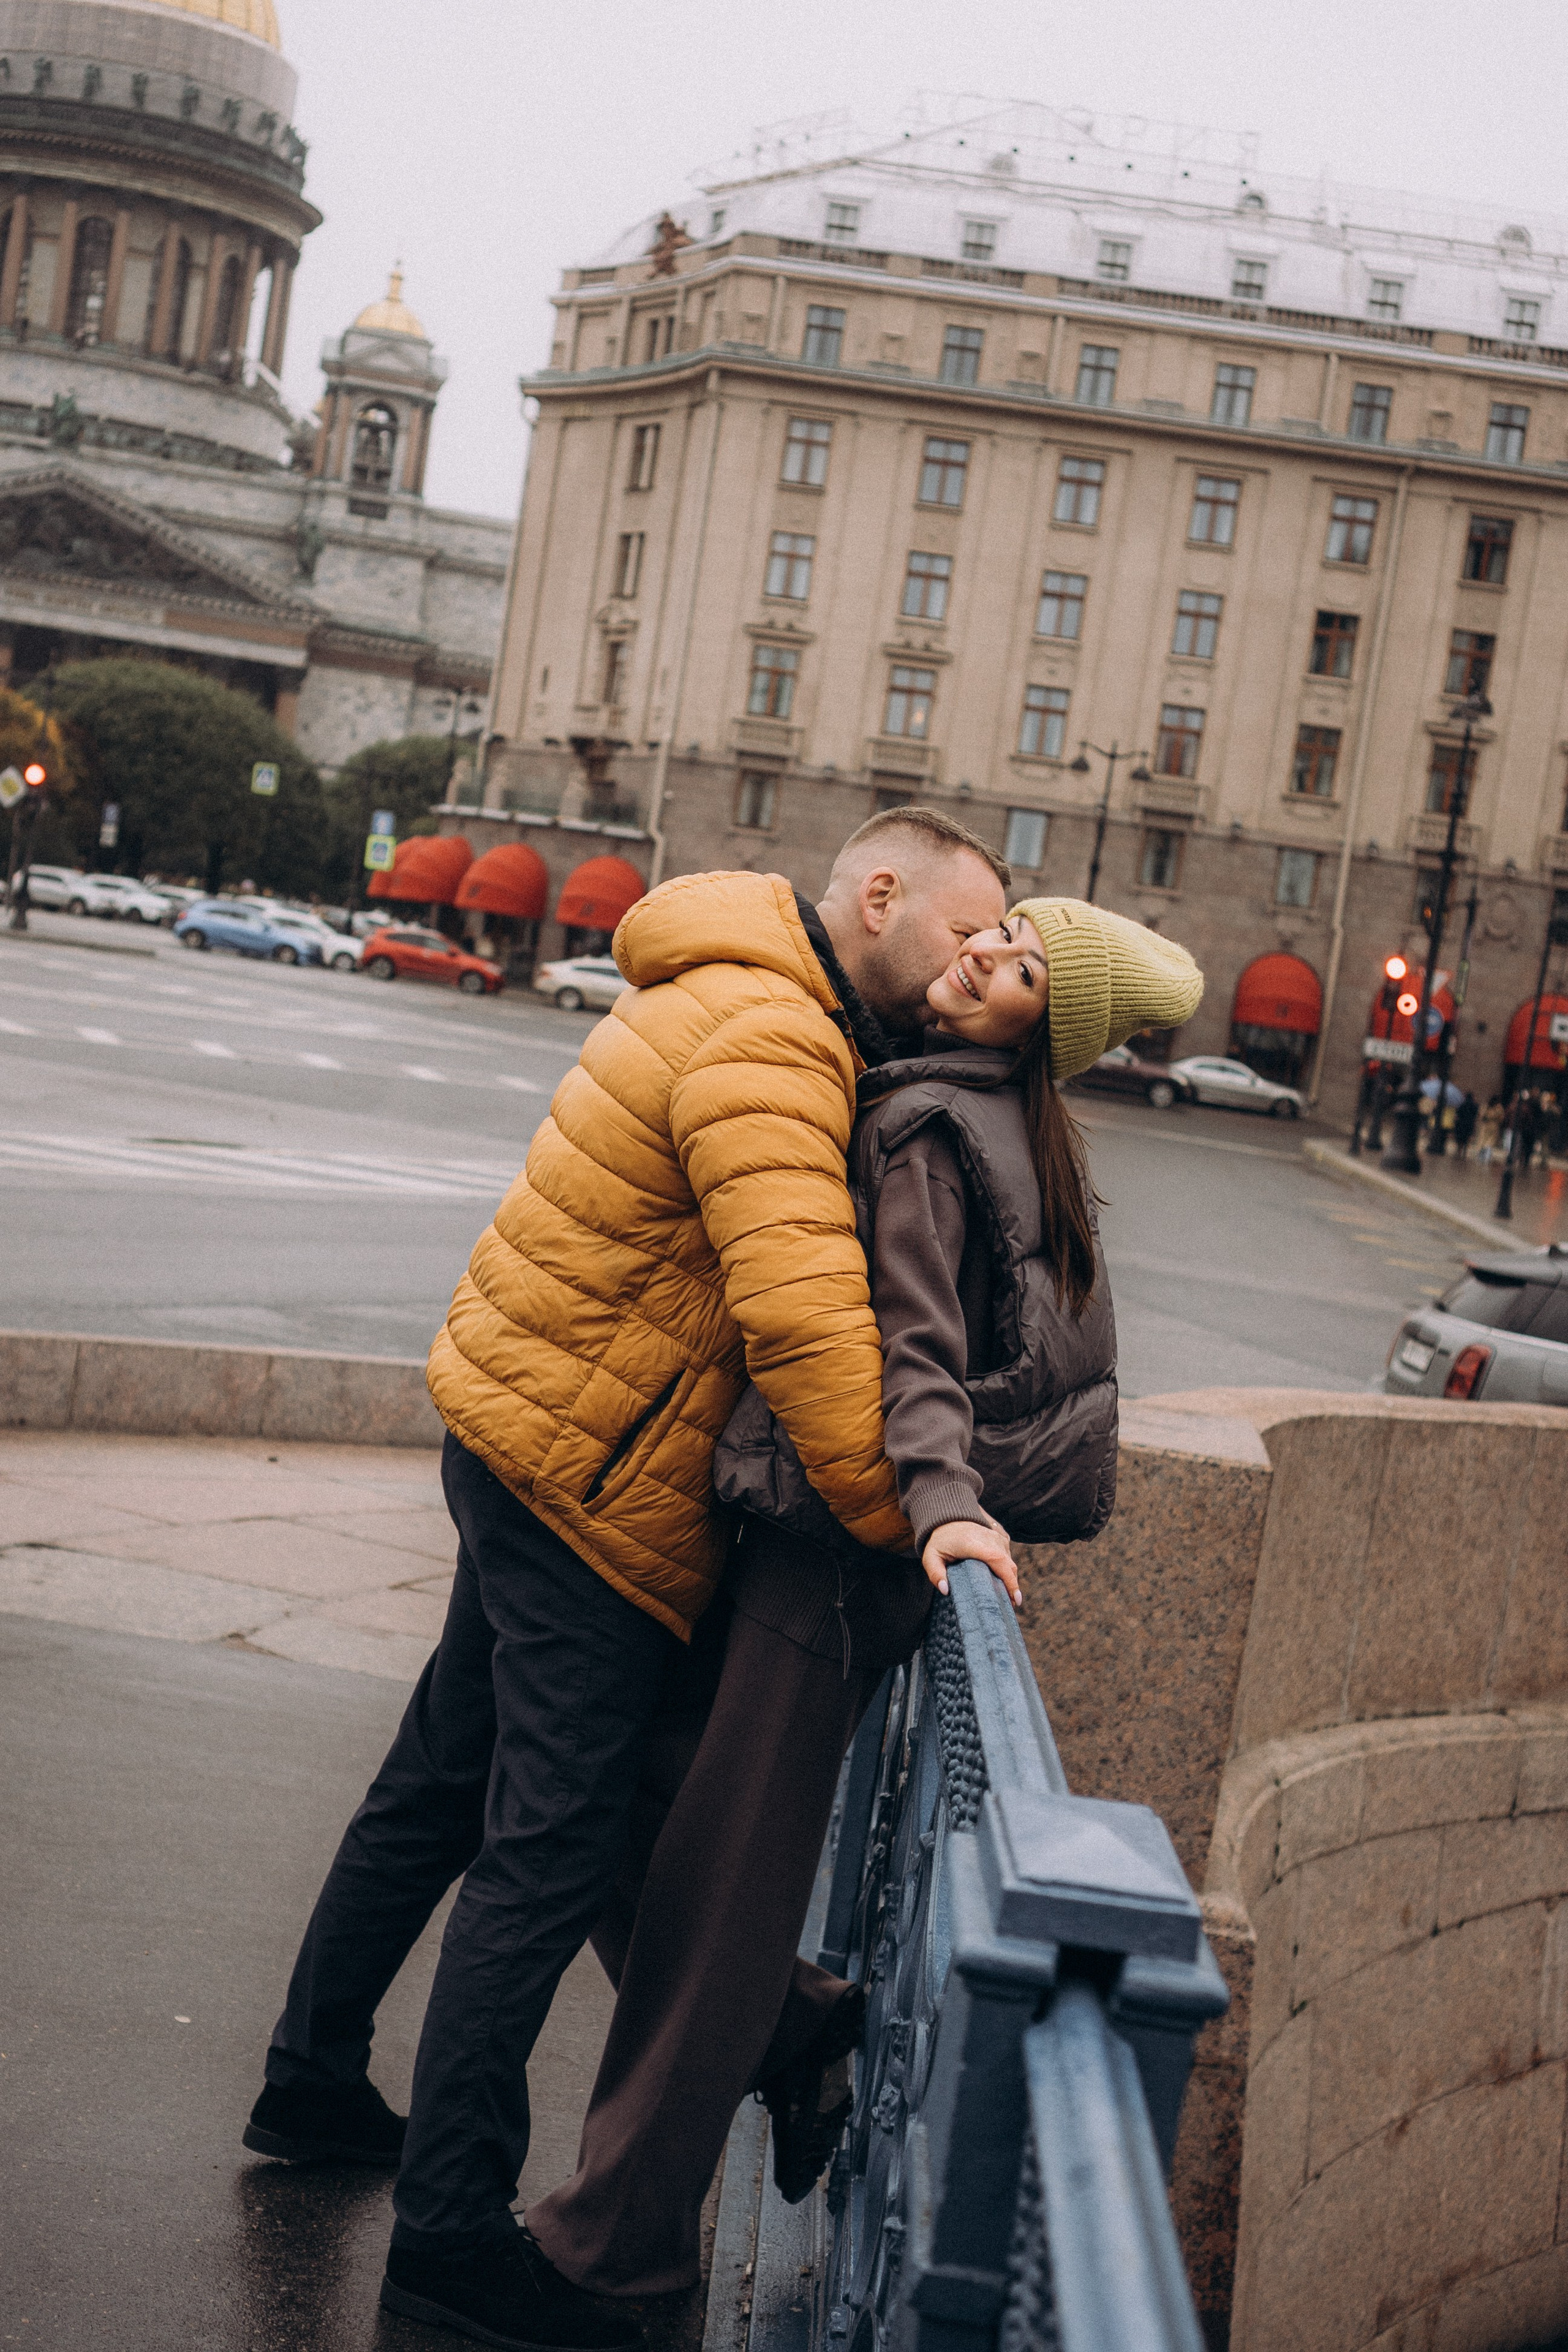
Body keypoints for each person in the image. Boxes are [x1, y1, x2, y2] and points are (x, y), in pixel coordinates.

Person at [243, 808, 1010, 2351]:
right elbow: (803, 1321)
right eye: (963, 930)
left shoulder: (731, 975)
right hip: (589, 1483)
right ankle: (450, 2235)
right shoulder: (775, 1040)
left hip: (521, 1427)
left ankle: (312, 2077)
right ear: (879, 896)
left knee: (436, 1782)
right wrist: (906, 1517)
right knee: (546, 1848)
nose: (972, 962)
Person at [524, 898, 1204, 2301]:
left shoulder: (931, 1126)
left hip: (831, 1559)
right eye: (1001, 929)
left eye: (1023, 970)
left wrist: (942, 1500)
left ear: (1043, 1031)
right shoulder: (986, 1115)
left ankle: (615, 2248)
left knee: (716, 1900)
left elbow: (914, 1348)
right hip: (828, 1548)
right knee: (627, 1813)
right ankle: (802, 2030)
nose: (984, 953)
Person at [1476, 1096, 1504, 1165]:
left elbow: (1481, 1115)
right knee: (1490, 1142)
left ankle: (1481, 1158)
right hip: (1494, 1126)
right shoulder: (1499, 1108)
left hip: (1485, 1125)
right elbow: (1501, 1118)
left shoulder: (1485, 1106)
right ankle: (1487, 1159)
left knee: (1482, 1141)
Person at [1455, 1090, 1479, 1158]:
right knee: (1467, 1138)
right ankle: (1465, 1152)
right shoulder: (1475, 1106)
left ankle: (1459, 1151)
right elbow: (1476, 1115)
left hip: (1461, 1123)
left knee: (1460, 1138)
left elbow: (1458, 1114)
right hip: (1470, 1124)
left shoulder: (1462, 1105)